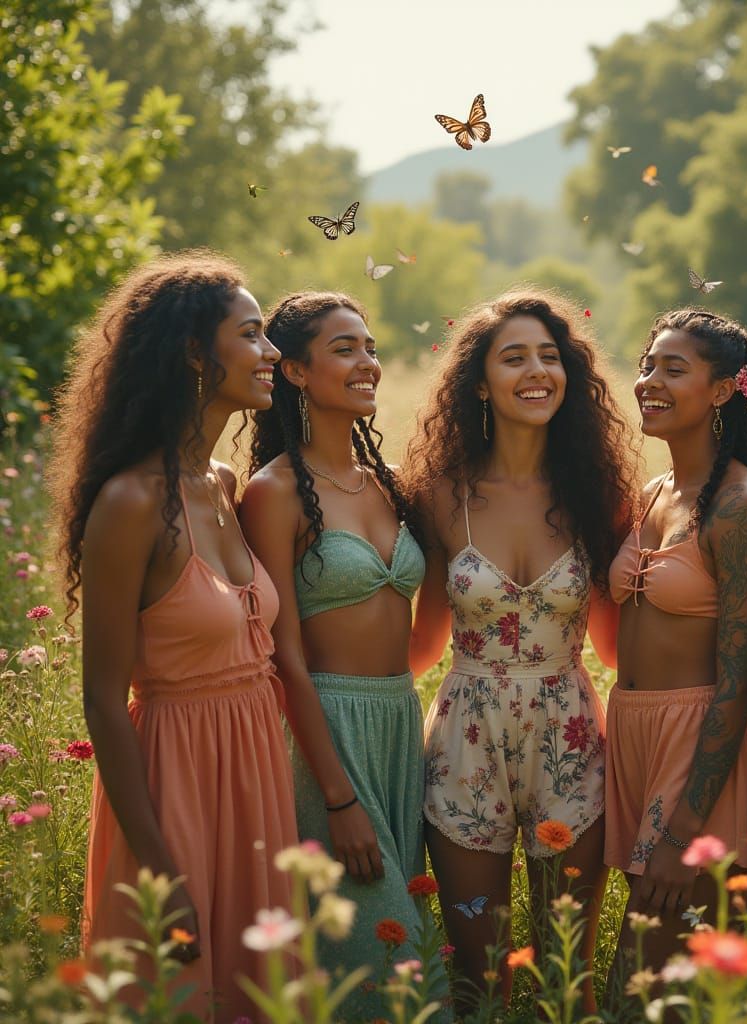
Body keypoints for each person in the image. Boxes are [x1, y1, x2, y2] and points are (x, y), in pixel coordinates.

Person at [48, 251, 297, 1022]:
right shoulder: (131, 501)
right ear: (193, 352)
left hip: (254, 775)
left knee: (257, 993)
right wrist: (161, 873)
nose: (271, 351)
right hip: (176, 785)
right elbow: (102, 700)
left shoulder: (222, 485)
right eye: (250, 334)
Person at [405, 289, 635, 1014]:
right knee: (479, 982)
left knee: (567, 979)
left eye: (549, 356)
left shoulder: (597, 494)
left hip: (569, 735)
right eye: (514, 358)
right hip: (466, 741)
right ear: (479, 382)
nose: (537, 371)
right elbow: (423, 642)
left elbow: (611, 647)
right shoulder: (440, 495)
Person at [240, 291, 445, 1017]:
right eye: (345, 349)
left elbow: (423, 629)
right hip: (325, 736)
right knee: (379, 959)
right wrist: (338, 797)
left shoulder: (389, 486)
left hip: (398, 726)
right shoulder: (273, 493)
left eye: (371, 348)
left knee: (400, 945)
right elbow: (283, 656)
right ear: (294, 371)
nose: (368, 363)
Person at [604, 310, 747, 983]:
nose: (649, 381)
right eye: (648, 365)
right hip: (634, 735)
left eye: (672, 369)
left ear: (721, 391)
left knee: (648, 985)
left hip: (698, 750)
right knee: (659, 978)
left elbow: (739, 685)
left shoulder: (740, 505)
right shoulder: (655, 491)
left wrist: (683, 830)